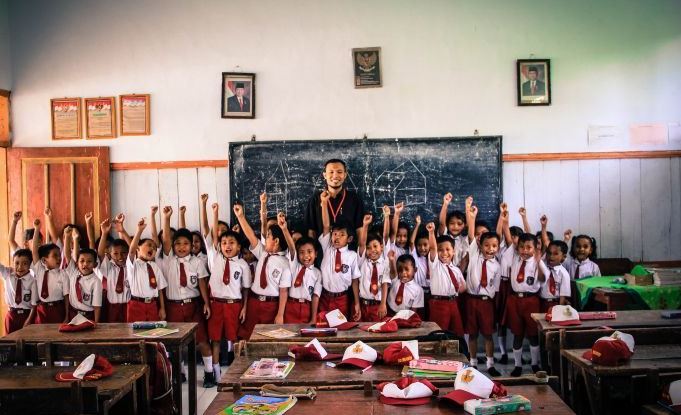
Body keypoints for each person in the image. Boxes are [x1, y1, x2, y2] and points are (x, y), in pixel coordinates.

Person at [159, 207, 215, 388]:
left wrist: (206, 303)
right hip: (173, 306)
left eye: (185, 244)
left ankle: (208, 373)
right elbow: (166, 239)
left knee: (202, 341)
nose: (181, 247)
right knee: (175, 344)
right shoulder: (168, 260)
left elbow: (202, 284)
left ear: (192, 246)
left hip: (194, 305)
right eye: (178, 244)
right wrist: (166, 218)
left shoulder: (197, 262)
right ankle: (179, 373)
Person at [233, 203, 291, 340]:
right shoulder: (263, 253)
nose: (265, 239)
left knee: (267, 339)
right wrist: (240, 216)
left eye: (268, 236)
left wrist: (280, 314)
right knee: (246, 336)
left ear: (276, 241)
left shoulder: (285, 264)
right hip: (254, 302)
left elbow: (284, 291)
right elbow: (251, 236)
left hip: (271, 306)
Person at [206, 202, 250, 374]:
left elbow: (246, 289)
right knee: (215, 339)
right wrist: (214, 211)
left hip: (234, 305)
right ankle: (215, 372)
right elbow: (214, 237)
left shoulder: (242, 265)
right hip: (216, 304)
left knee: (234, 338)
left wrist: (245, 307)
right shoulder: (215, 257)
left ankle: (235, 371)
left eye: (232, 242)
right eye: (224, 242)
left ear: (238, 247)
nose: (227, 246)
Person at [464, 197, 501, 376]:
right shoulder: (474, 255)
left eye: (494, 246)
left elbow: (497, 287)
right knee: (472, 334)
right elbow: (471, 236)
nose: (490, 249)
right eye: (487, 245)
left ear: (498, 248)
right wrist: (471, 216)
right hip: (472, 300)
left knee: (488, 334)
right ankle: (472, 362)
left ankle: (490, 363)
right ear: (480, 245)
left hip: (486, 302)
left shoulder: (497, 265)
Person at [502, 218, 543, 377]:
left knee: (533, 334)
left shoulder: (537, 262)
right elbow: (509, 240)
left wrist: (526, 219)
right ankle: (517, 365)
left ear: (535, 248)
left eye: (528, 247)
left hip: (532, 300)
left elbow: (531, 237)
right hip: (515, 300)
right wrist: (505, 222)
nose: (524, 250)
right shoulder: (514, 257)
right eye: (521, 247)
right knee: (517, 334)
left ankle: (534, 364)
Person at [317, 191, 361, 320]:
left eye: (342, 234)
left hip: (342, 298)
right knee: (323, 328)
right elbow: (326, 226)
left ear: (349, 239)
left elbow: (354, 280)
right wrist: (324, 203)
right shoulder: (327, 248)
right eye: (335, 234)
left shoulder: (352, 256)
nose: (337, 237)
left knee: (340, 329)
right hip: (324, 297)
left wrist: (357, 303)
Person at [304, 159, 365, 240]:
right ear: (325, 175)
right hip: (322, 250)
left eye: (339, 172)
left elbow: (359, 229)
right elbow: (311, 231)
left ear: (345, 175)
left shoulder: (355, 199)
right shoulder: (315, 199)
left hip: (347, 251)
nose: (335, 176)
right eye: (331, 172)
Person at [278, 213, 321, 324]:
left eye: (309, 252)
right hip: (291, 306)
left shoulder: (317, 273)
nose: (306, 256)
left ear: (316, 254)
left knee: (304, 339)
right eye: (301, 252)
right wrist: (284, 229)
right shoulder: (295, 265)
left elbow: (316, 296)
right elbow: (292, 248)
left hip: (307, 308)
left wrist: (313, 317)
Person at [426, 221, 466, 337]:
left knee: (457, 334)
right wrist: (431, 232)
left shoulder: (456, 269)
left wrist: (454, 292)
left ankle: (457, 355)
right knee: (439, 335)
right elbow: (433, 247)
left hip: (453, 303)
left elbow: (464, 287)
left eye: (448, 249)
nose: (444, 253)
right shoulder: (435, 265)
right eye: (441, 250)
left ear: (453, 252)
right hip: (438, 303)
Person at [126, 218, 167, 323]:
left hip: (152, 305)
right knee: (135, 335)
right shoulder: (133, 265)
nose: (152, 249)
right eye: (149, 245)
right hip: (136, 305)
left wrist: (162, 308)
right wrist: (139, 230)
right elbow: (131, 251)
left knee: (152, 334)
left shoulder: (154, 266)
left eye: (154, 248)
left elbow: (160, 289)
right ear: (138, 248)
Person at [31, 219, 69, 324]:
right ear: (44, 260)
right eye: (54, 256)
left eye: (59, 255)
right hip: (42, 309)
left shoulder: (62, 274)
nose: (59, 258)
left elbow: (66, 297)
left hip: (58, 309)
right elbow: (34, 252)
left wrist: (67, 315)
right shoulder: (39, 270)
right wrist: (37, 229)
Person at [356, 213, 391, 322]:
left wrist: (383, 304)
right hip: (363, 305)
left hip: (378, 306)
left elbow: (385, 283)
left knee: (377, 333)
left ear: (381, 247)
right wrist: (365, 225)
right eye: (369, 248)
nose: (372, 250)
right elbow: (361, 244)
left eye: (375, 246)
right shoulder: (362, 262)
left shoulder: (385, 263)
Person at [64, 229, 102, 323]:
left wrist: (96, 323)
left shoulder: (96, 281)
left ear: (95, 264)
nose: (85, 264)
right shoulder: (74, 271)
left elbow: (97, 306)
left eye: (89, 261)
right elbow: (68, 255)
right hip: (72, 313)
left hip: (87, 316)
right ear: (77, 262)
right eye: (82, 261)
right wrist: (67, 237)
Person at [97, 217, 131, 323]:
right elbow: (100, 253)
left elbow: (134, 249)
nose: (120, 256)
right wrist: (104, 234)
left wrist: (122, 231)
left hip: (128, 307)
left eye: (124, 252)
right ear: (110, 254)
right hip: (112, 307)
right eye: (115, 253)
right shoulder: (109, 267)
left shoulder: (131, 267)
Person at [1, 249, 37, 333]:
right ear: (13, 263)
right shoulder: (8, 275)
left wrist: (28, 320)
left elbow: (34, 305)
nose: (20, 267)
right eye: (17, 263)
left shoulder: (32, 281)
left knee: (26, 343)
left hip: (26, 316)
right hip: (11, 315)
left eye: (25, 263)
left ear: (30, 264)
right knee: (8, 343)